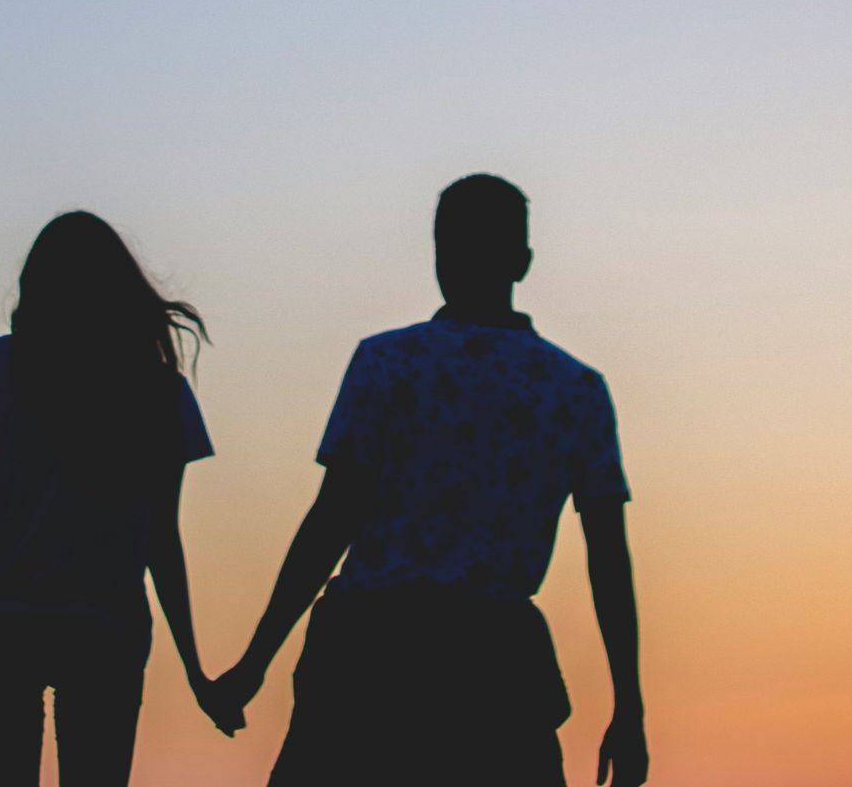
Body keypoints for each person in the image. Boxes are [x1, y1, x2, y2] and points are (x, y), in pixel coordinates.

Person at [209, 174, 650, 786]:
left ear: (440, 256)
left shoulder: (388, 364)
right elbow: (608, 557)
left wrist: (255, 661)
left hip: (368, 659)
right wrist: (629, 705)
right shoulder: (572, 389)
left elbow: (332, 519)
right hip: (494, 670)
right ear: (521, 261)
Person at [0, 211, 236, 786]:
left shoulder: (3, 364)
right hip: (104, 629)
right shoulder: (157, 391)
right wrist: (194, 668)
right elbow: (161, 540)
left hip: (1, 622)